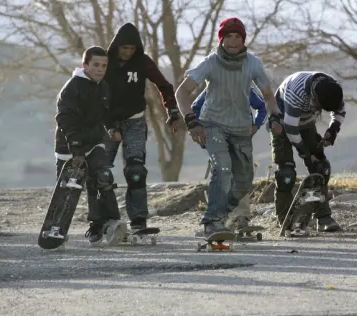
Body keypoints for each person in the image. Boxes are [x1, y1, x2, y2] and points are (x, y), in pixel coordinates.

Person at [174, 17, 282, 236]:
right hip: (213, 124)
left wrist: (275, 118)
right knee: (223, 168)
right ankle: (212, 221)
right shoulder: (210, 62)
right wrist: (191, 121)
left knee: (243, 182)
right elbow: (182, 93)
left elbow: (268, 96)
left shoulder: (253, 63)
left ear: (243, 40)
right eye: (228, 36)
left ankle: (222, 215)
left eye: (238, 37)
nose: (233, 41)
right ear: (221, 39)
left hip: (241, 128)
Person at [103, 23, 180, 232]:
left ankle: (138, 220)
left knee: (136, 170)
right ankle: (105, 219)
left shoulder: (142, 62)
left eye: (132, 49)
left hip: (135, 120)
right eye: (124, 48)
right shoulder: (105, 62)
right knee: (102, 173)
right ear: (116, 46)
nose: (128, 52)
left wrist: (172, 111)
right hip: (106, 121)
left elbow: (165, 86)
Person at [54, 46, 126, 246]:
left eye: (104, 65)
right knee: (68, 187)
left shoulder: (103, 87)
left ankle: (105, 224)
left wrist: (112, 128)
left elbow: (105, 113)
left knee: (103, 178)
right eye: (95, 65)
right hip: (68, 145)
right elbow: (65, 119)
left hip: (93, 143)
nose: (100, 69)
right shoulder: (72, 87)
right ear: (85, 65)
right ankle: (57, 227)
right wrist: (76, 148)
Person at [271, 71, 345, 233]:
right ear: (313, 96)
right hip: (283, 123)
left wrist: (332, 131)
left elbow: (340, 112)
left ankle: (323, 216)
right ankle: (284, 219)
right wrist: (306, 154)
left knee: (321, 168)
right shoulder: (296, 93)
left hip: (306, 124)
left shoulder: (332, 89)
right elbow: (291, 130)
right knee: (286, 174)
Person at [192, 86, 267, 229]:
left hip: (241, 137)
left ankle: (240, 217)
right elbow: (195, 108)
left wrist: (255, 126)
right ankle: (218, 218)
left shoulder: (245, 88)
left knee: (242, 175)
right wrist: (199, 131)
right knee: (223, 174)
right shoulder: (212, 88)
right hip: (218, 136)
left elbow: (262, 108)